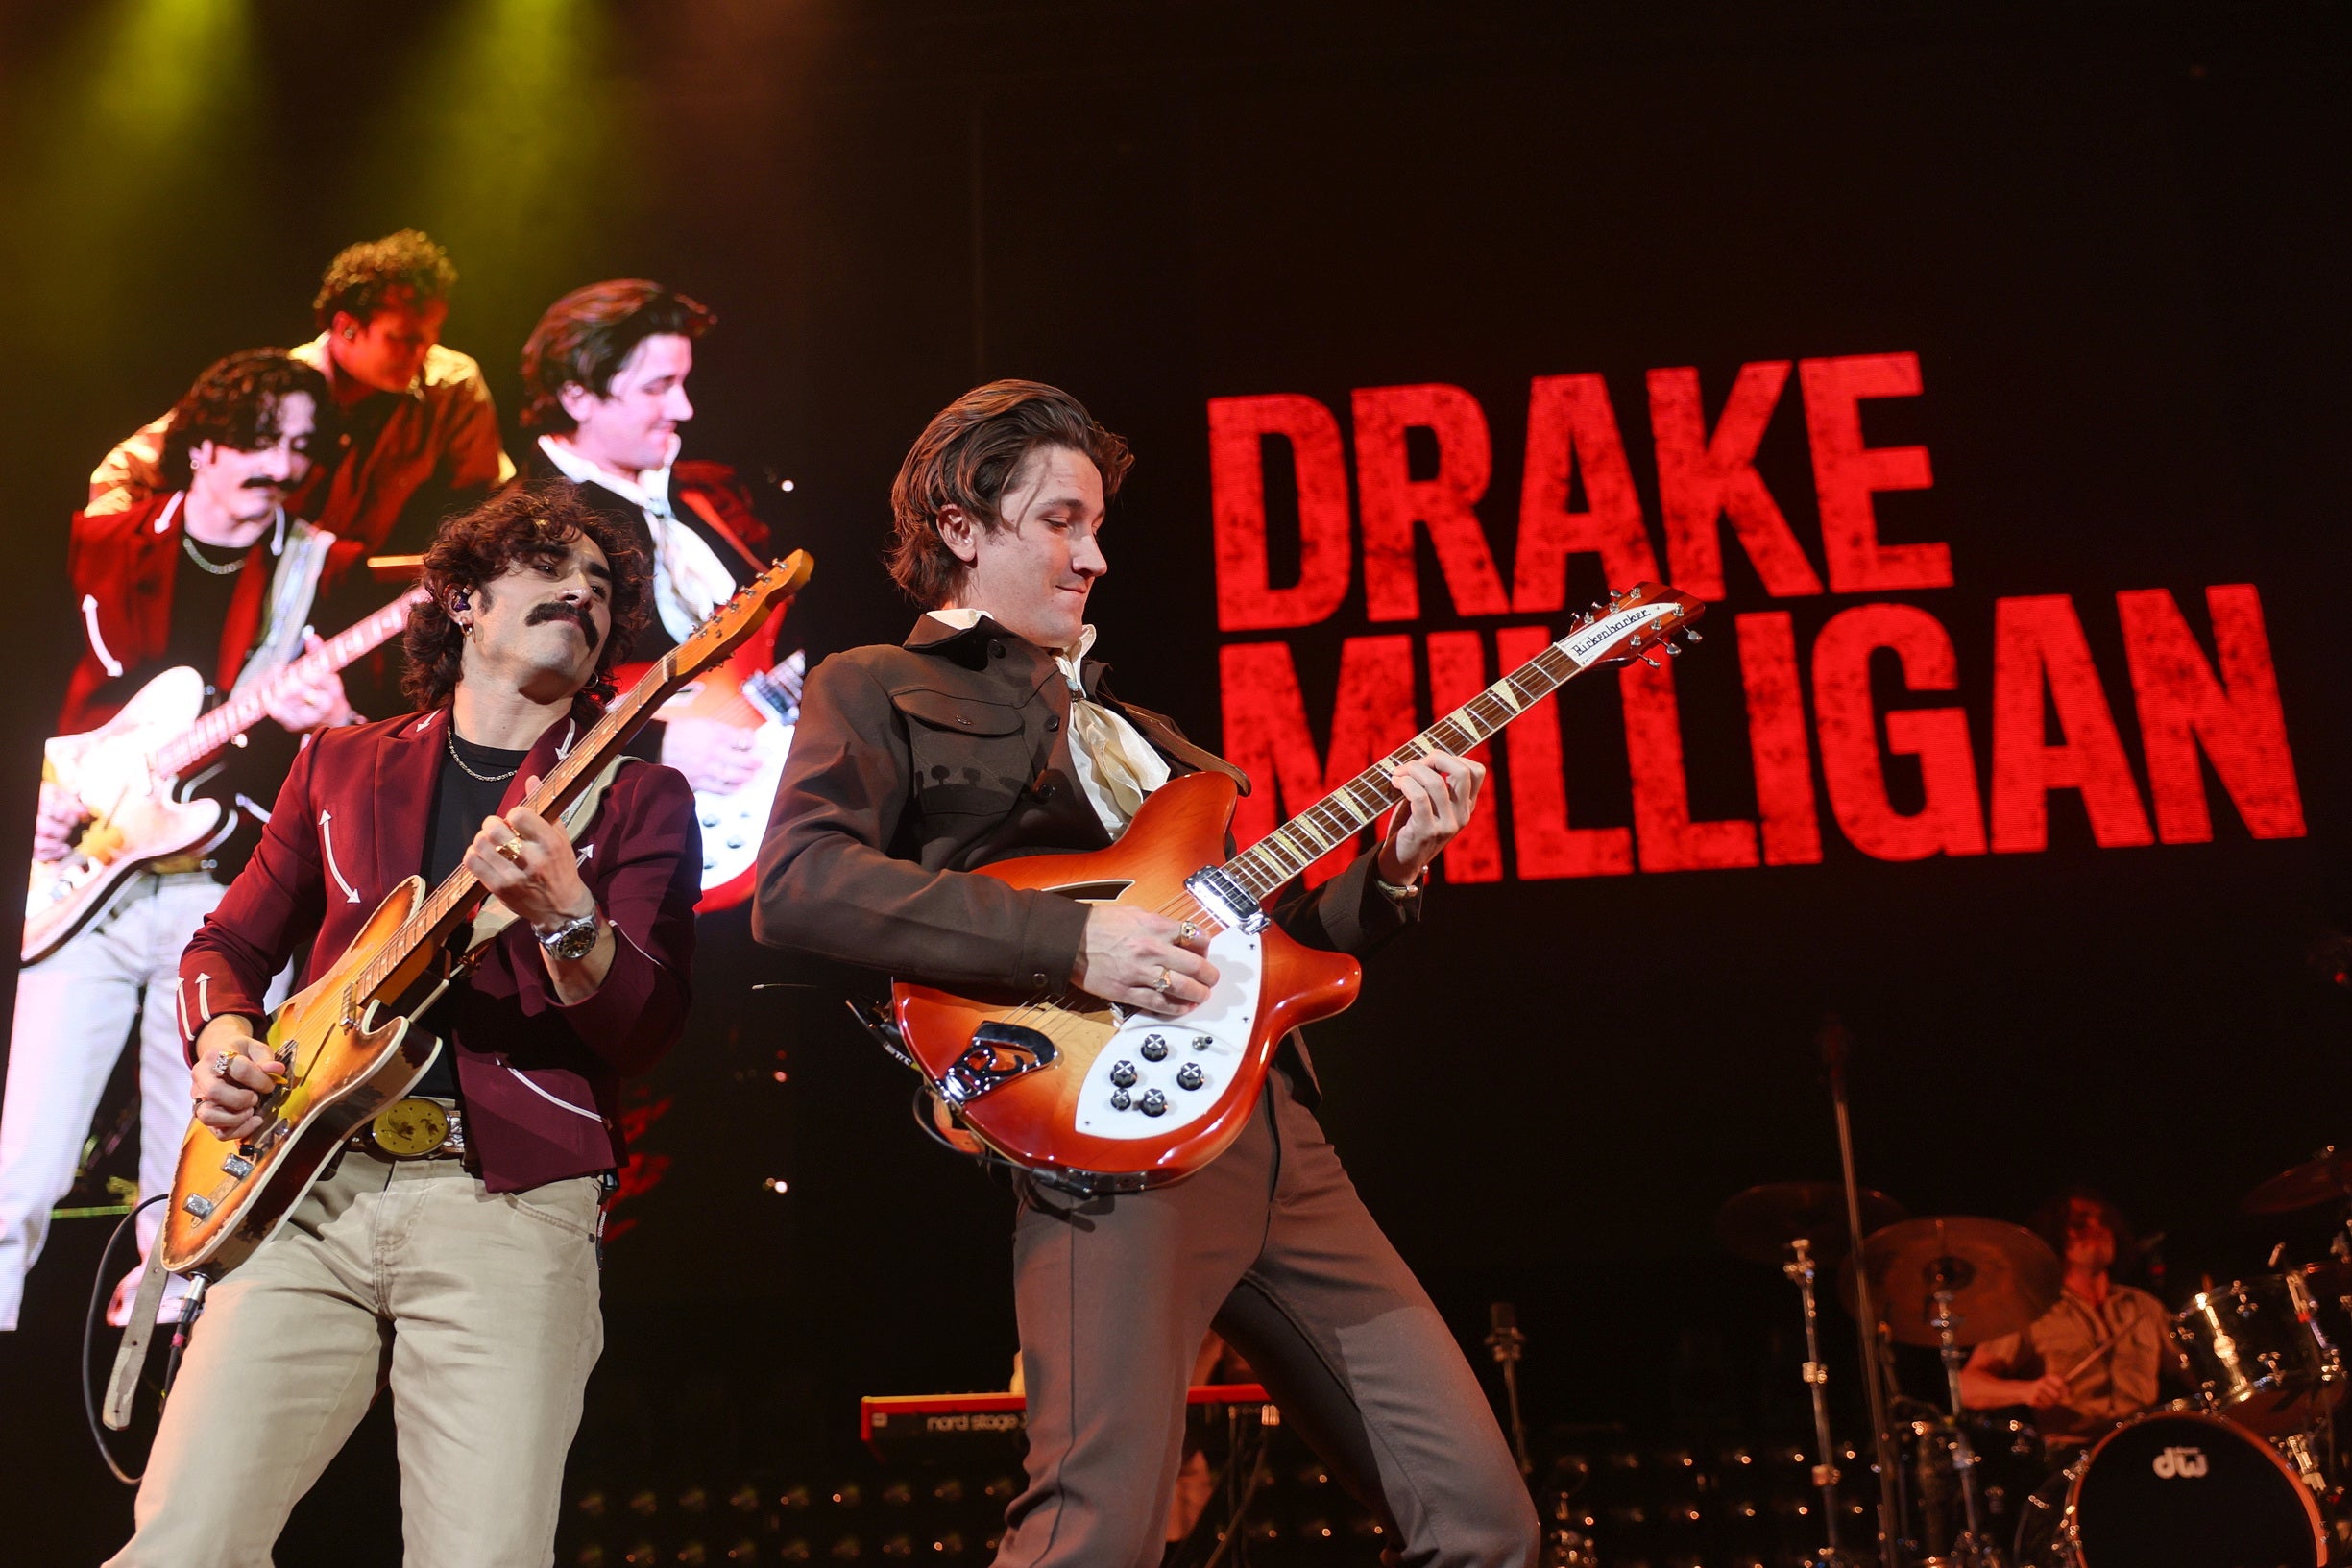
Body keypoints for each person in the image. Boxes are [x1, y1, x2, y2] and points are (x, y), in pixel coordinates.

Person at [753, 381, 1539, 1568]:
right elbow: (802, 884)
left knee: (1483, 1523)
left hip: (1276, 1140)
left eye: (1098, 526)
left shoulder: (1157, 741)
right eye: (1061, 521)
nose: (1095, 556)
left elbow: (1259, 946)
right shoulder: (875, 684)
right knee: (1098, 1537)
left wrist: (1393, 869)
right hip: (1104, 1143)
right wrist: (1076, 944)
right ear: (961, 527)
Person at [109, 481, 701, 1566]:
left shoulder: (637, 799)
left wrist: (568, 918)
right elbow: (223, 948)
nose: (582, 591)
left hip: (509, 1205)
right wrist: (224, 1041)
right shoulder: (338, 765)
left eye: (602, 584)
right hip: (300, 1192)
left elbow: (647, 1025)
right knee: (181, 1545)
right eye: (549, 566)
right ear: (462, 600)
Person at [0, 349, 352, 1333]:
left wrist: (332, 718)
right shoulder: (99, 546)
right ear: (201, 446)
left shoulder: (323, 569)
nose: (281, 466)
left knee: (192, 1188)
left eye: (300, 448)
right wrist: (33, 795)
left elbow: (373, 751)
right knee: (17, 1173)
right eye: (260, 441)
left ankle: (159, 1372)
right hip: (83, 880)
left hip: (225, 901)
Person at [88, 228, 514, 580]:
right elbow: (123, 472)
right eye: (403, 339)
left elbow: (493, 496)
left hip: (341, 591)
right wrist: (120, 568)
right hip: (246, 590)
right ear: (347, 327)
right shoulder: (270, 391)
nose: (422, 353)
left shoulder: (452, 385)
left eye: (431, 337)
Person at [517, 278, 778, 801]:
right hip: (628, 802)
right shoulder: (530, 525)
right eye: (657, 388)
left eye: (682, 382)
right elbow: (516, 697)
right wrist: (654, 744)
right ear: (577, 396)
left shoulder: (700, 489)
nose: (683, 408)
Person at [1958, 1188, 2166, 1449]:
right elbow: (1966, 1387)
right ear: (2055, 1235)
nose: (2097, 1229)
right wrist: (2027, 1390)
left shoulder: (2145, 1306)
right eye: (2080, 1224)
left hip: (2149, 1445)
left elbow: (2197, 1369)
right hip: (2074, 1453)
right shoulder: (2034, 1310)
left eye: (2104, 1222)